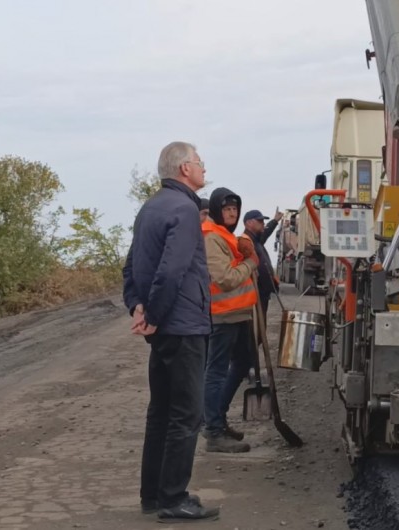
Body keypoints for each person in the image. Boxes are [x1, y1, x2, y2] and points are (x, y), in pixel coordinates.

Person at [122, 141, 219, 522]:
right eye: (199, 161)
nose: (203, 167)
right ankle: (174, 498)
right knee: (186, 414)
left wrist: (138, 305)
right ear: (184, 169)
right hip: (183, 327)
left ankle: (153, 494)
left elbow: (131, 265)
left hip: (164, 329)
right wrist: (155, 313)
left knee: (160, 412)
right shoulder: (185, 209)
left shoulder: (150, 208)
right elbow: (172, 270)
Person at [201, 187, 258, 453]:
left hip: (238, 314)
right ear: (216, 210)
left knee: (243, 363)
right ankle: (213, 430)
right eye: (227, 209)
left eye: (235, 209)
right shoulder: (212, 237)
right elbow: (224, 278)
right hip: (222, 315)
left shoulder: (225, 235)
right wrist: (251, 263)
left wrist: (245, 256)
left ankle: (218, 418)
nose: (232, 213)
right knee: (216, 372)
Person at [242, 208, 283, 318]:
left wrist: (275, 221)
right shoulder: (246, 242)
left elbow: (266, 232)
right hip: (255, 293)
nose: (263, 224)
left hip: (262, 293)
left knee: (261, 320)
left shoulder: (257, 240)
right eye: (259, 221)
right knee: (255, 323)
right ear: (249, 223)